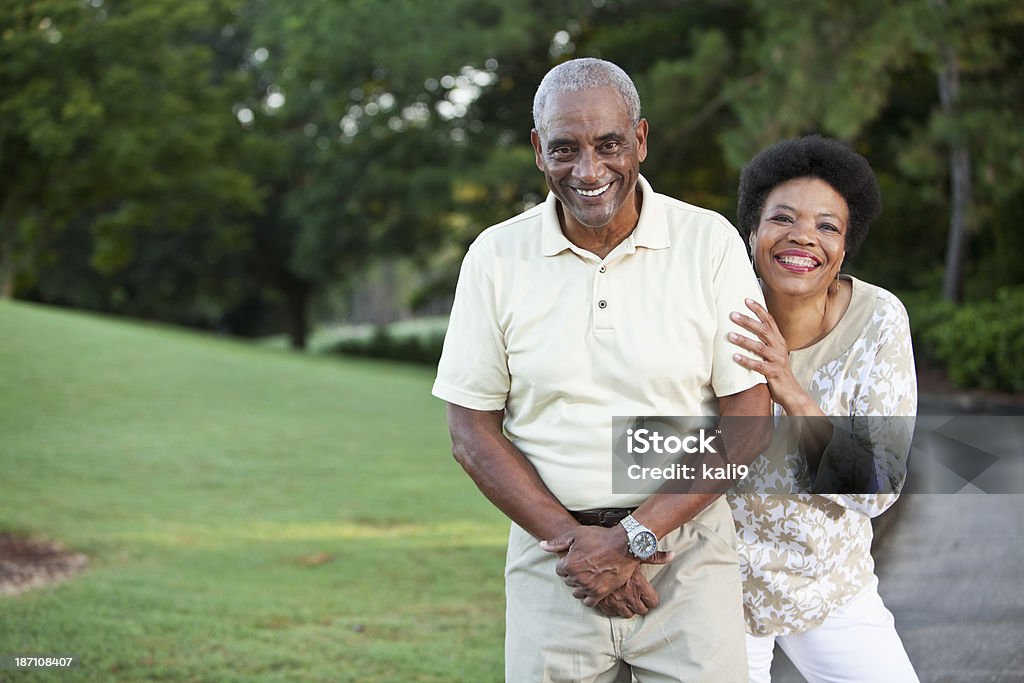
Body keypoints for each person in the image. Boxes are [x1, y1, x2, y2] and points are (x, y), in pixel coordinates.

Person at [432, 57, 771, 681]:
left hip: (687, 556)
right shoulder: (495, 256)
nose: (588, 171)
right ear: (538, 149)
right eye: (565, 149)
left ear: (639, 140)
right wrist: (577, 548)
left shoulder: (710, 243)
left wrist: (632, 539)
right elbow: (470, 432)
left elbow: (748, 421)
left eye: (609, 145)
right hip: (554, 562)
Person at [726, 135, 919, 682]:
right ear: (753, 233)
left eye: (827, 226)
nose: (802, 237)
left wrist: (788, 386)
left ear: (844, 246)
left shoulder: (878, 320)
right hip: (720, 588)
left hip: (829, 580)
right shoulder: (715, 309)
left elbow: (878, 486)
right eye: (782, 218)